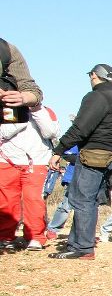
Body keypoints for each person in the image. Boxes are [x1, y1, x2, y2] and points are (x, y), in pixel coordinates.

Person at [48, 64, 112, 260]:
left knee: (82, 200)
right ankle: (76, 244)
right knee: (90, 201)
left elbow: (80, 128)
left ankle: (83, 248)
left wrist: (59, 150)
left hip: (94, 155)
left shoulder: (96, 96)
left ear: (94, 76)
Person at [0, 104, 58, 250]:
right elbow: (4, 132)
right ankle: (5, 237)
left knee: (34, 200)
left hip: (38, 161)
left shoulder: (45, 110)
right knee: (7, 201)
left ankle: (35, 236)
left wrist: (36, 110)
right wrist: (21, 115)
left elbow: (51, 133)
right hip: (8, 160)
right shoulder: (9, 110)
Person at [45, 144, 78, 238]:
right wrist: (86, 158)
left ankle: (84, 234)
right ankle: (53, 229)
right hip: (73, 177)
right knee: (66, 206)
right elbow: (67, 155)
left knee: (88, 208)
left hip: (91, 179)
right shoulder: (79, 141)